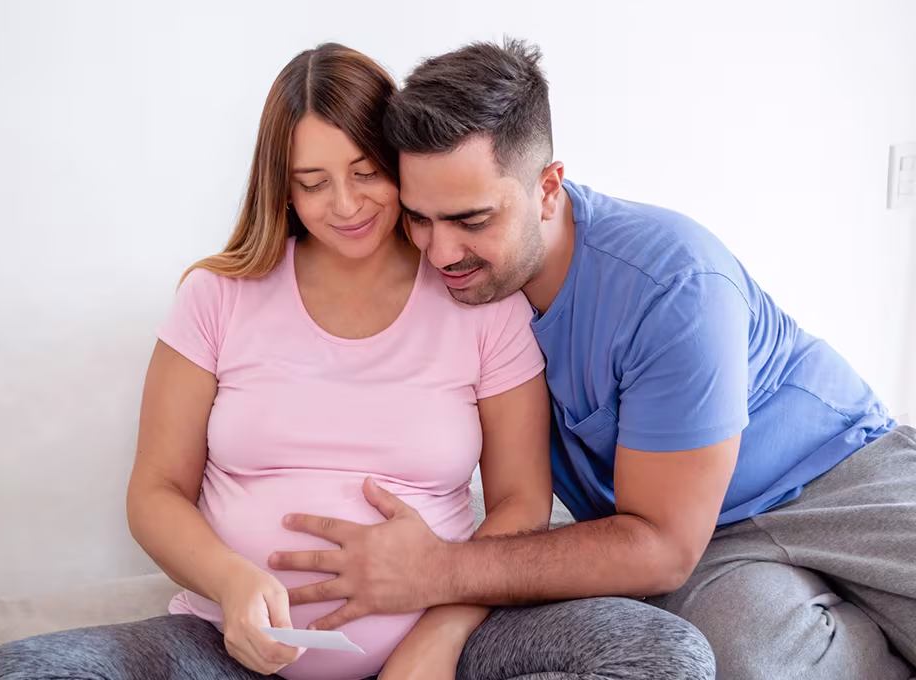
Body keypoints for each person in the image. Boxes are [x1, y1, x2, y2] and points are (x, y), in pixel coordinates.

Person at [0, 43, 717, 680]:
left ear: (400, 165)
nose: (346, 205)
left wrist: (440, 629)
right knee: (19, 669)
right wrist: (232, 585)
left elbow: (521, 500)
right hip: (233, 650)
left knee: (664, 654)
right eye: (312, 182)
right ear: (282, 186)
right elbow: (156, 491)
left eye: (365, 172)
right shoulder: (215, 297)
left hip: (441, 650)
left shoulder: (478, 299)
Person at [270, 39, 916, 680]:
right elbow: (662, 549)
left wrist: (435, 572)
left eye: (472, 220)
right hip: (708, 545)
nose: (440, 253)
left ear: (548, 189)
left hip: (836, 475)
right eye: (420, 219)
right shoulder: (452, 293)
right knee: (748, 660)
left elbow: (659, 546)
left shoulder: (673, 285)